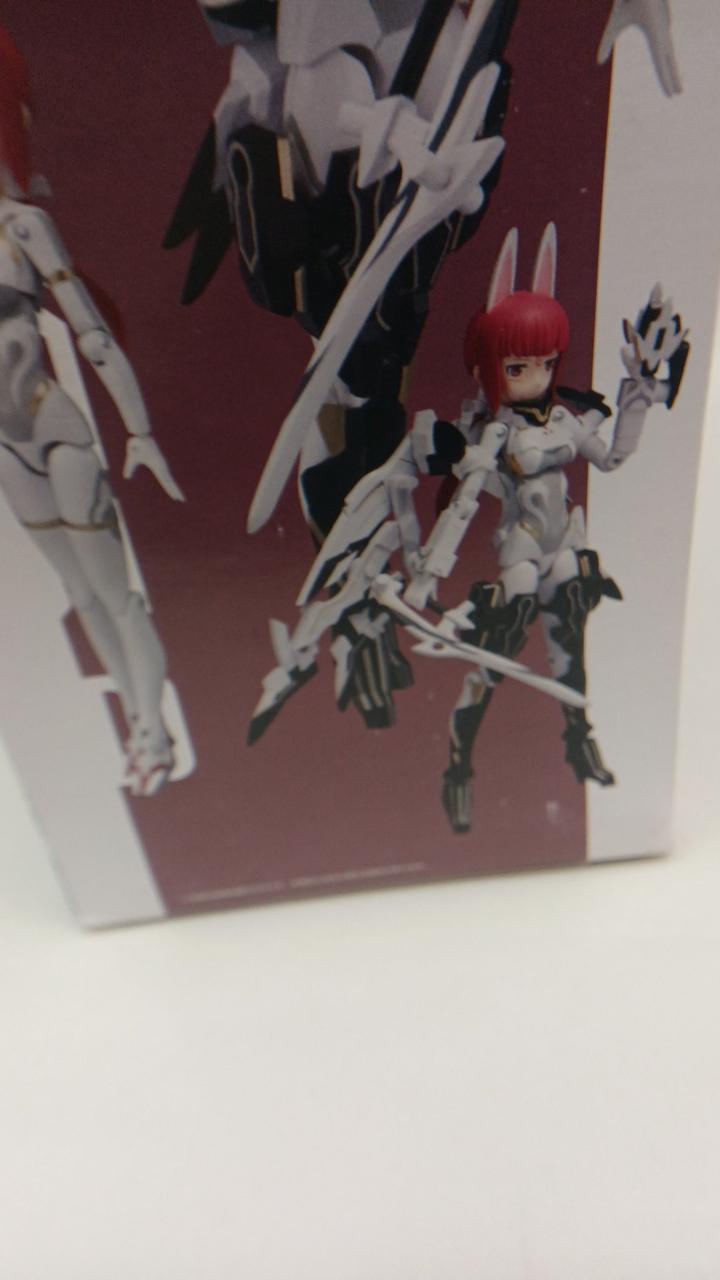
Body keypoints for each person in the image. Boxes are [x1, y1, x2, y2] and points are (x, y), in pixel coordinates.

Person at [0, 29, 185, 796]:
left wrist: (139, 431)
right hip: (7, 448)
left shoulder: (21, 227)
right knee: (81, 597)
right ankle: (139, 726)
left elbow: (93, 336)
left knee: (116, 596)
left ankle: (152, 731)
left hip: (53, 428)